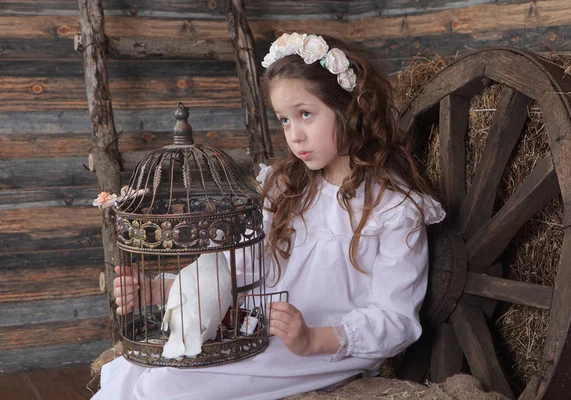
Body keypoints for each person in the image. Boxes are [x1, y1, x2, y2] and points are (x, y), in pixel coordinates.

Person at [92, 32, 445, 400]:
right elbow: (236, 269)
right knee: (139, 368)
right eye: (284, 120)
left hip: (325, 350)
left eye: (305, 114)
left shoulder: (393, 210)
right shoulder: (286, 189)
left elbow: (396, 318)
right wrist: (161, 288)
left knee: (167, 386)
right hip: (260, 331)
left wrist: (312, 339)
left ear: (350, 110)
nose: (295, 135)